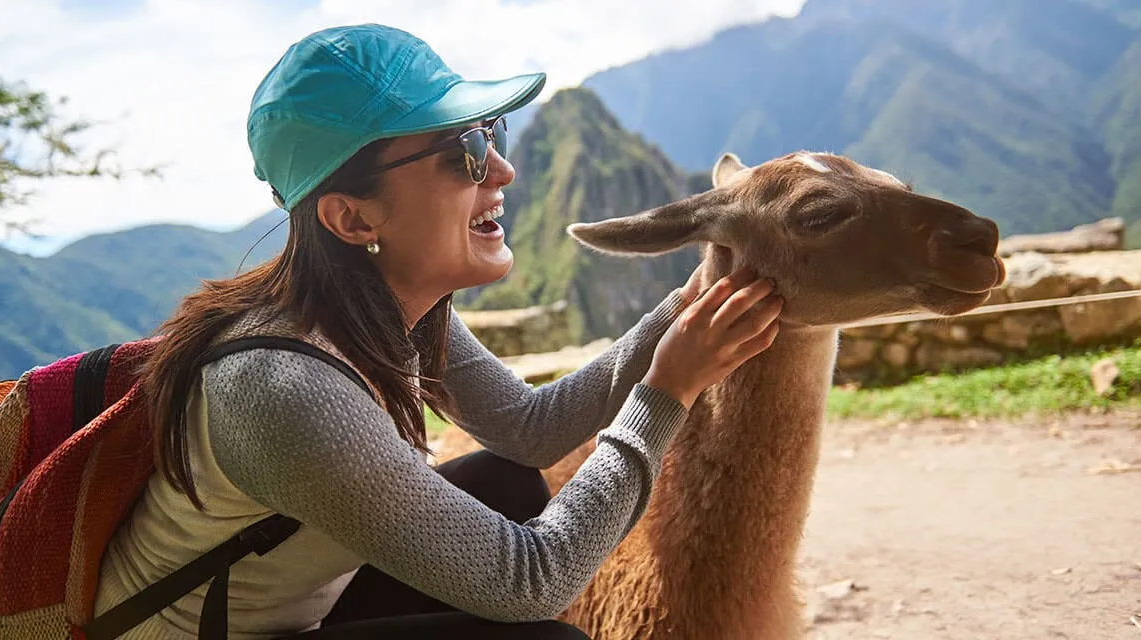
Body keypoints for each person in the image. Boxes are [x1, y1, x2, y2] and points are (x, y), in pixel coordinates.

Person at [92, 23, 783, 639]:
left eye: (490, 137)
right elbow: (532, 584)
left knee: (506, 480)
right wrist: (666, 390)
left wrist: (685, 308)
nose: (504, 170)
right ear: (354, 220)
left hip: (304, 606)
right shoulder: (283, 386)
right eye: (465, 154)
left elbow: (529, 429)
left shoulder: (389, 312)